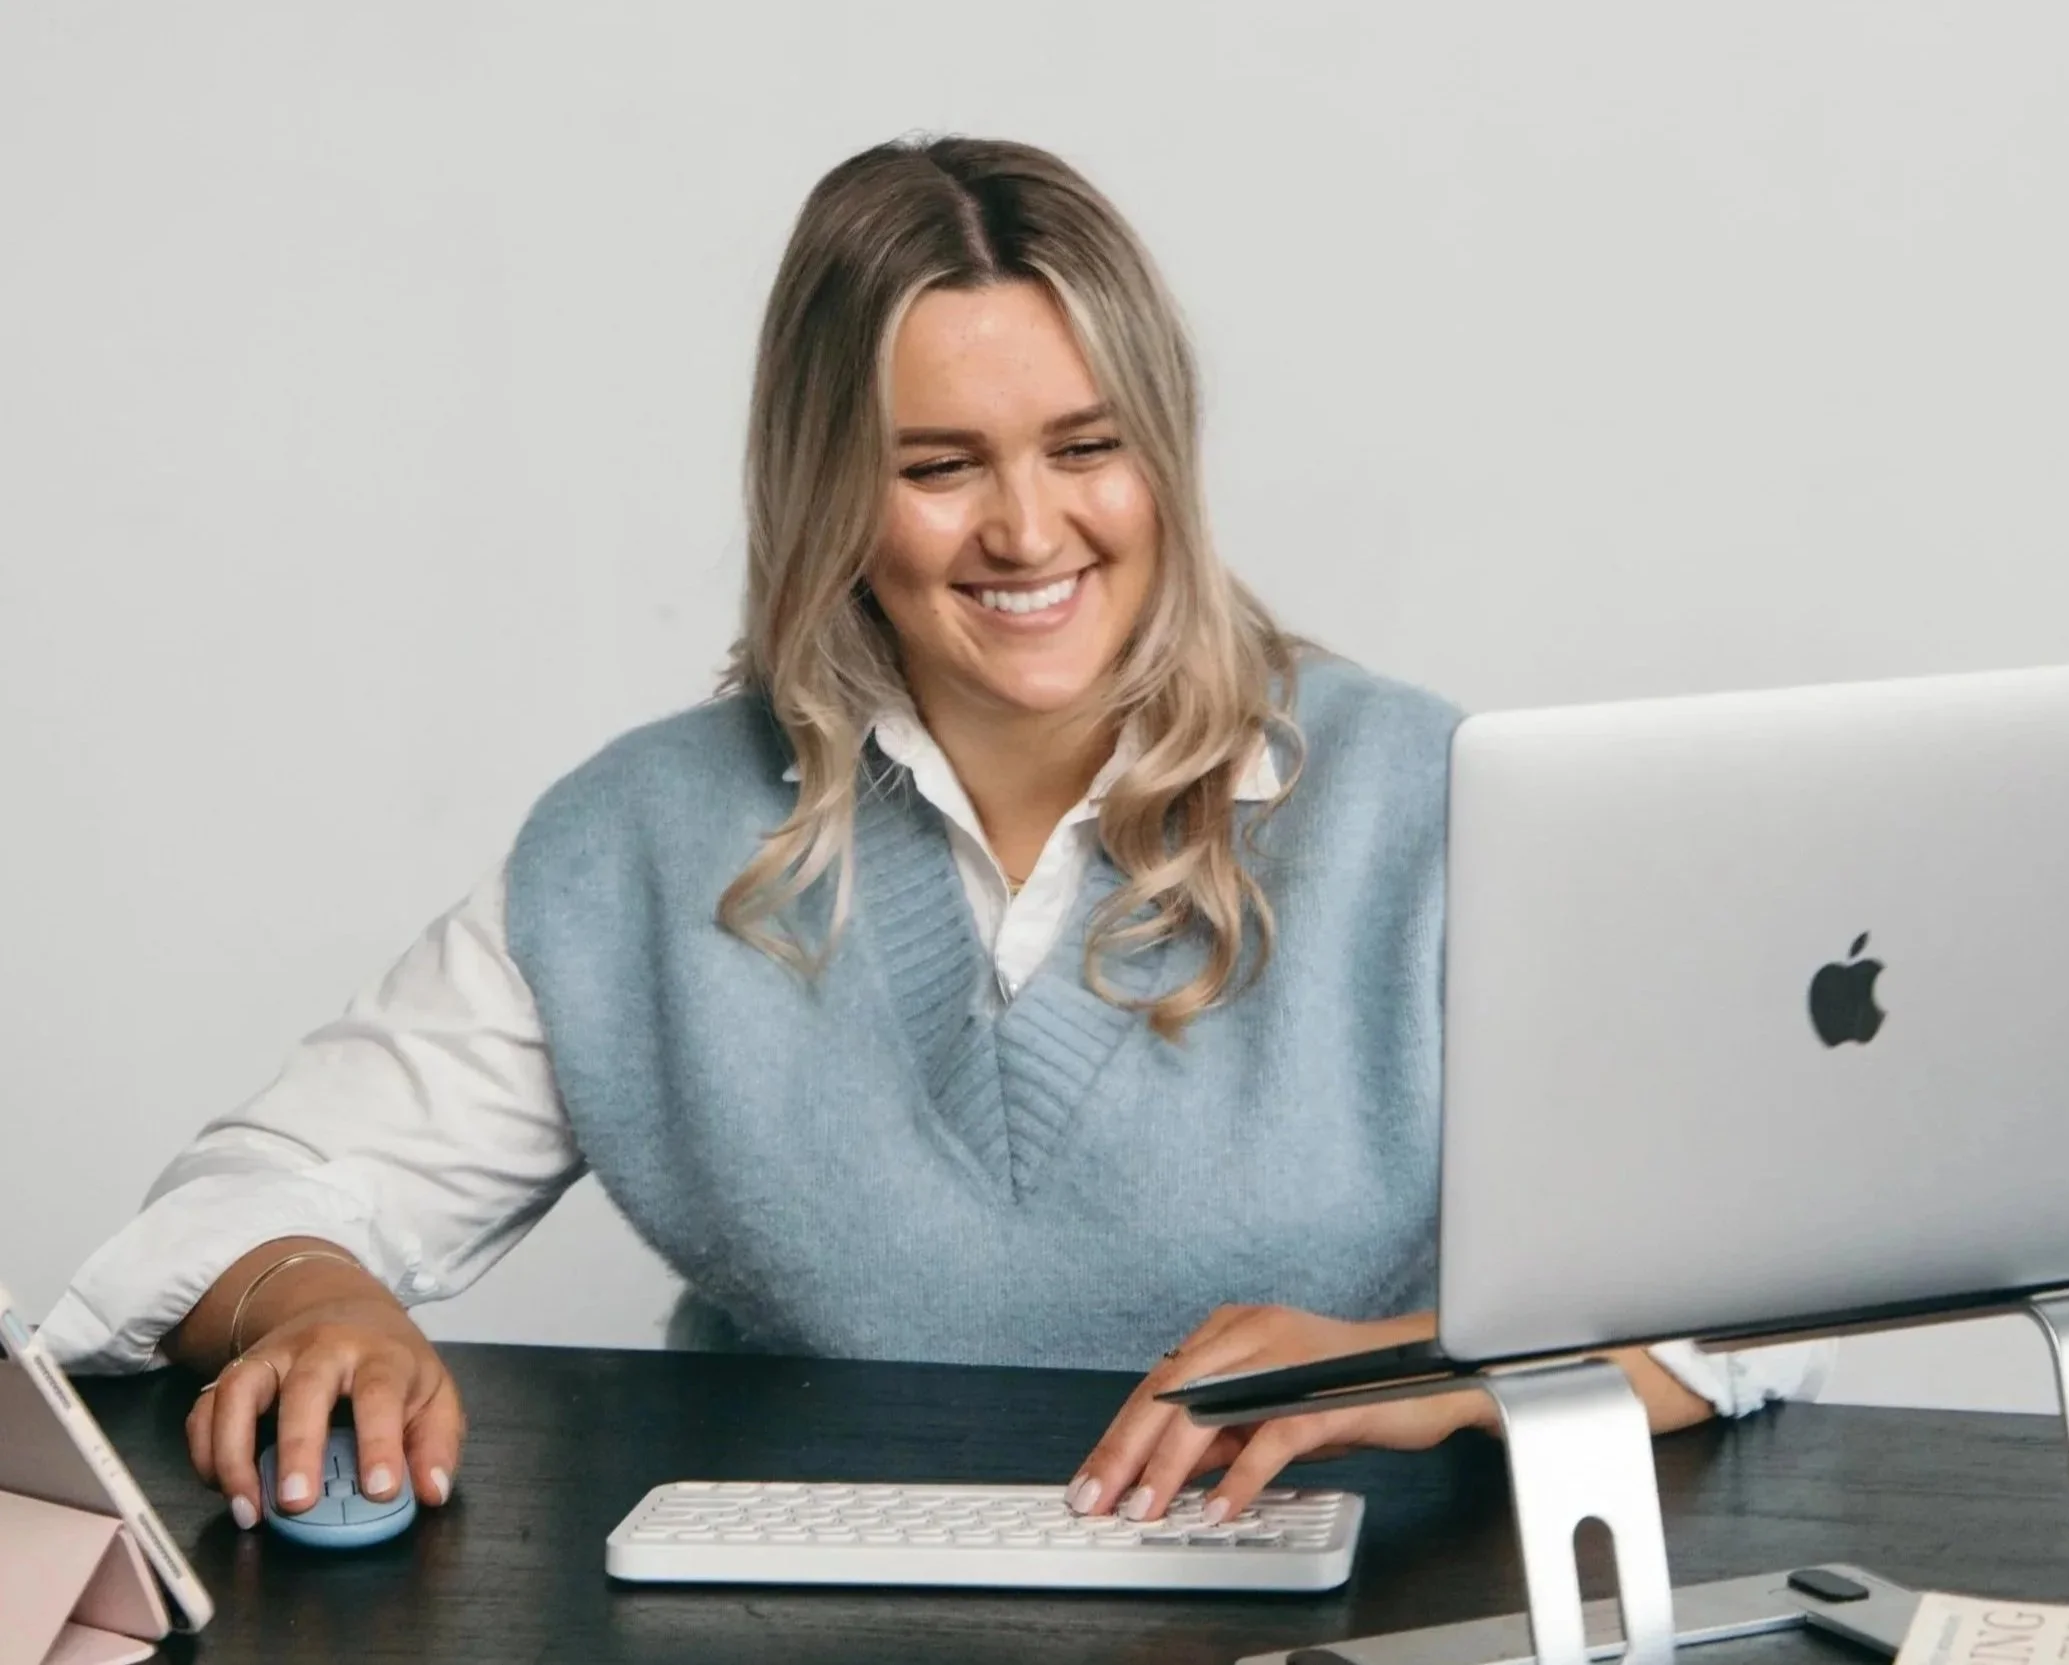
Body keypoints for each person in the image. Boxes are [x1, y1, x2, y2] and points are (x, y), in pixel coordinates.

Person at [42, 134, 1829, 1539]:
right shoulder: (640, 840)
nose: (1030, 528)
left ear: (1166, 461)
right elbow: (251, 1196)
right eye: (941, 464)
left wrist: (1422, 1365)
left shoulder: (1430, 801)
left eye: (1087, 445)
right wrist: (312, 1296)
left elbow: (1771, 1273)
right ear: (830, 487)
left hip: (1340, 1600)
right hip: (806, 1604)